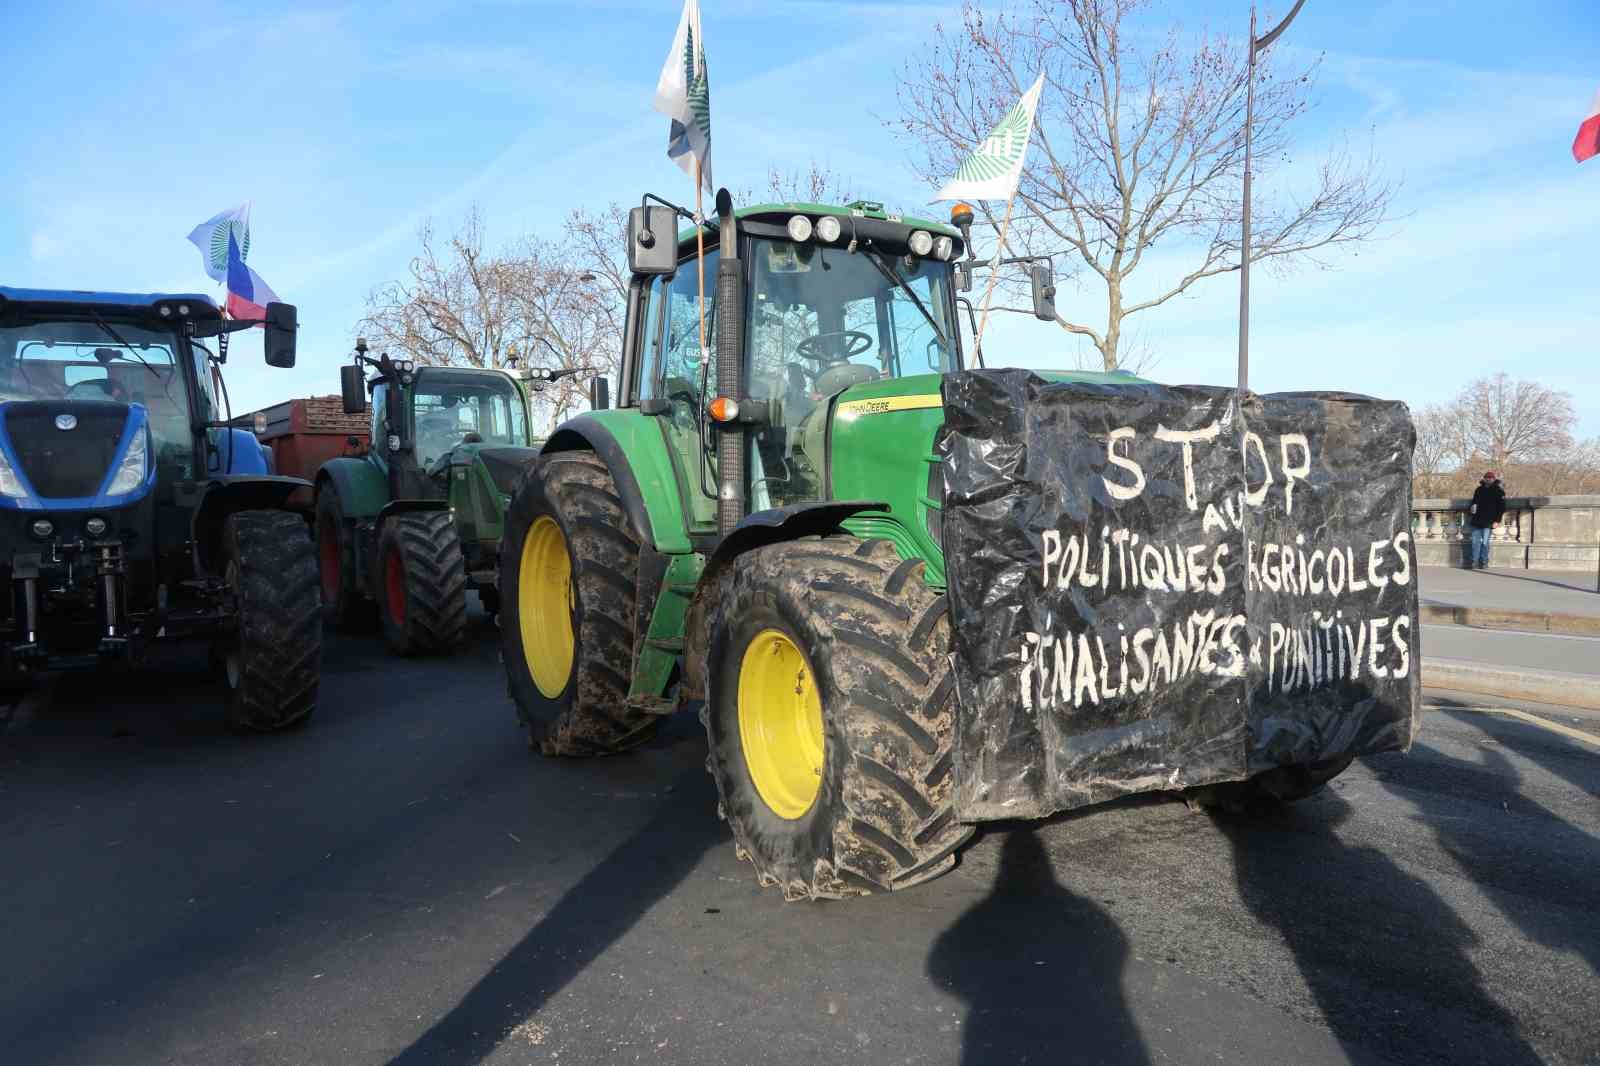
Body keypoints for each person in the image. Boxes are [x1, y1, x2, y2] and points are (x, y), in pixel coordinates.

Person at [1466, 470, 1506, 570]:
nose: (1488, 479)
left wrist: (1497, 521)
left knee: (1485, 543)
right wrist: (1472, 507)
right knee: (1475, 542)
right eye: (1487, 477)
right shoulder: (1478, 490)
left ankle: (1484, 561)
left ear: (1493, 479)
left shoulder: (1499, 491)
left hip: (1489, 521)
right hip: (1477, 520)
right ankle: (1474, 562)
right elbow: (1473, 502)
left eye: (1490, 478)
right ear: (1484, 478)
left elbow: (1502, 508)